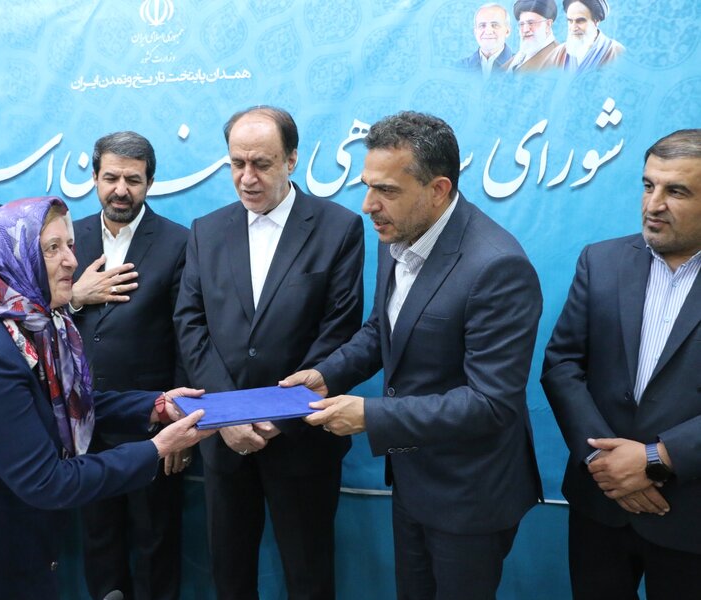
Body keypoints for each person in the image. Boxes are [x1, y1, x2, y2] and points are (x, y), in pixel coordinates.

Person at [283, 111, 543, 600]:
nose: (368, 206)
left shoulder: (498, 268)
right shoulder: (398, 232)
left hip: (469, 493)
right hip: (412, 478)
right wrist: (325, 374)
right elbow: (383, 331)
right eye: (367, 186)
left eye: (386, 190)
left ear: (438, 190)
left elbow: (491, 404)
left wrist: (371, 415)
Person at [0, 196, 211, 600]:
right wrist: (156, 449)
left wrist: (154, 406)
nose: (71, 261)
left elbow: (66, 405)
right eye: (51, 248)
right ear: (13, 258)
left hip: (16, 543)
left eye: (70, 245)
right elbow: (47, 481)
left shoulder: (35, 324)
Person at [174, 106, 364, 599]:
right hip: (224, 442)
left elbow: (338, 331)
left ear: (292, 160)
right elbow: (190, 323)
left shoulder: (338, 228)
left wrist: (279, 414)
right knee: (230, 576)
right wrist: (227, 415)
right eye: (237, 163)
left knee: (309, 576)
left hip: (302, 440)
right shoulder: (206, 230)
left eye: (261, 163)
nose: (247, 177)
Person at [541, 129, 701, 599]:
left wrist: (656, 458)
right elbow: (562, 365)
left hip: (691, 511)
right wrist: (603, 462)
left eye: (676, 191)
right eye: (648, 185)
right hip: (601, 506)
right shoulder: (601, 261)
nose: (654, 204)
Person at [71, 131, 189, 600]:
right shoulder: (67, 239)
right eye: (111, 178)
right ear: (95, 178)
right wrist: (76, 297)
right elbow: (35, 316)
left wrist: (179, 423)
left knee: (156, 542)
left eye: (133, 180)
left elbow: (188, 339)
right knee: (98, 542)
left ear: (150, 182)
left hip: (151, 423)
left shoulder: (179, 242)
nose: (121, 190)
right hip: (83, 423)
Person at [547, 0, 624, 73]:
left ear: (596, 21)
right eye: (570, 21)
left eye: (580, 21)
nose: (573, 28)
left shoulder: (616, 52)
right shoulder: (558, 54)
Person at [457, 3, 513, 78]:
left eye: (495, 25)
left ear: (507, 31)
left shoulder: (522, 68)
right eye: (482, 25)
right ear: (475, 32)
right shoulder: (459, 68)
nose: (488, 31)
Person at [503, 0, 560, 72]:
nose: (525, 29)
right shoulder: (522, 54)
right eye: (522, 24)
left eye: (531, 23)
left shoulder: (557, 60)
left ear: (548, 25)